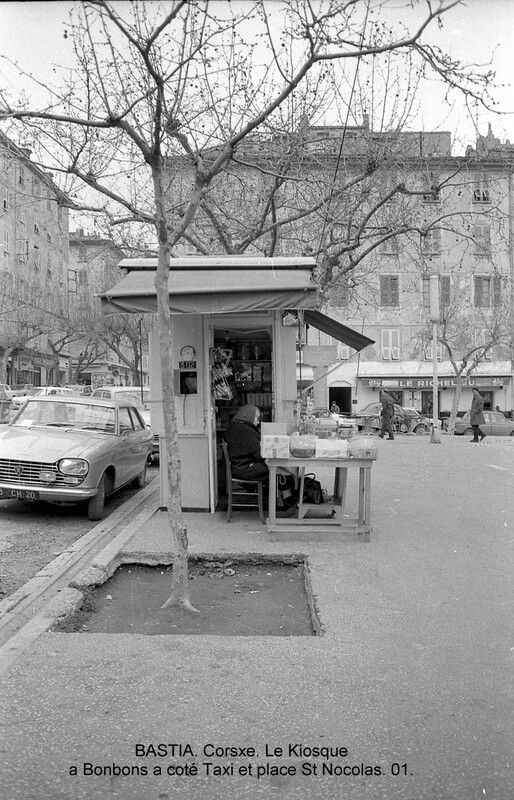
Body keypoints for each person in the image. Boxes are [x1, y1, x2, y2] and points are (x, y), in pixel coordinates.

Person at [223, 404, 296, 509]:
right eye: (257, 417)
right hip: (245, 468)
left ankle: (287, 500)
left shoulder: (235, 426)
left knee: (279, 467)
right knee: (280, 467)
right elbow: (258, 454)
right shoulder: (245, 431)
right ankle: (288, 501)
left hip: (239, 466)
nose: (258, 421)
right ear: (249, 416)